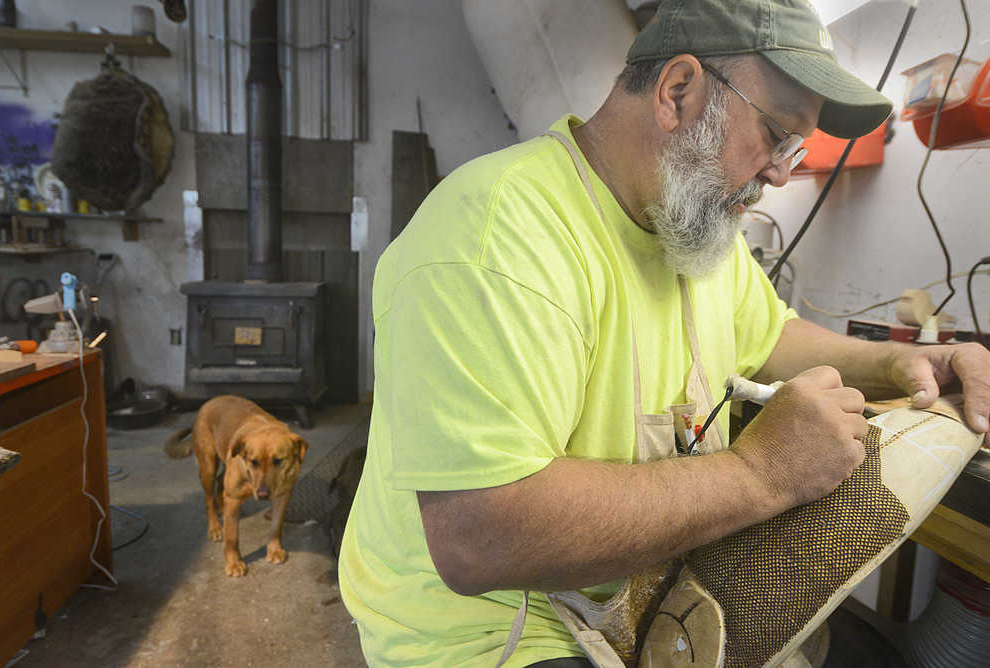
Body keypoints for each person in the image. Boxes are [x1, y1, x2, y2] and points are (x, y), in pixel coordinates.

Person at [339, 1, 990, 666]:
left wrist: (903, 363)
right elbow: (477, 538)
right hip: (491, 629)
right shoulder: (495, 236)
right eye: (775, 134)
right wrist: (761, 473)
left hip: (630, 589)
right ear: (678, 92)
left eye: (796, 148)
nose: (781, 172)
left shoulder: (692, 225)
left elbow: (770, 340)